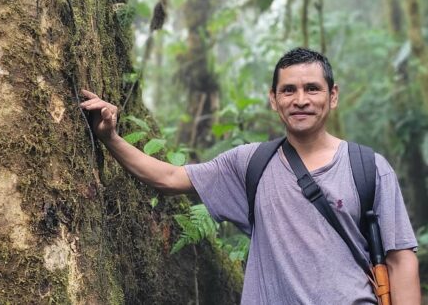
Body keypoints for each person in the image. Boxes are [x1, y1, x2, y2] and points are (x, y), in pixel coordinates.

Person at [80, 47, 420, 304]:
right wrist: (110, 137)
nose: (300, 100)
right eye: (288, 90)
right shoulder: (250, 164)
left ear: (333, 96)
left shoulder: (368, 167)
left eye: (312, 89)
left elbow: (401, 260)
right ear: (273, 99)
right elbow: (169, 178)